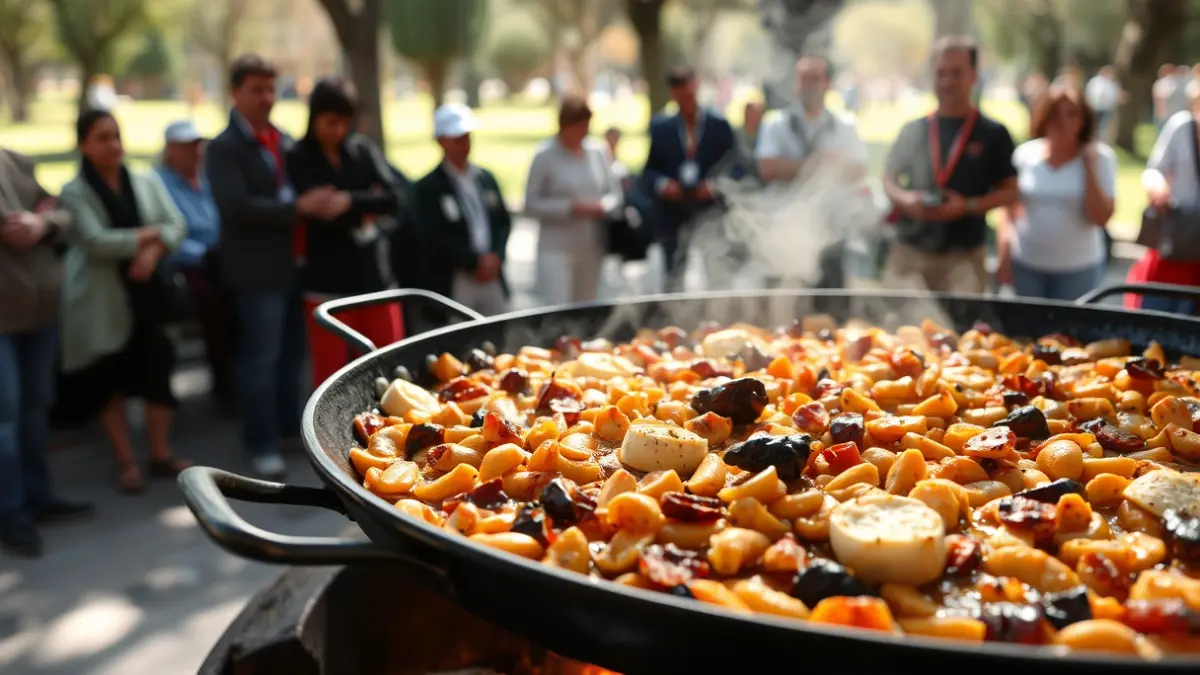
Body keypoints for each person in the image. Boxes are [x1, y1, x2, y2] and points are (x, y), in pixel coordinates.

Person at [206, 54, 349, 479]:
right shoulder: (223, 148)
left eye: (270, 88)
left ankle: (288, 430)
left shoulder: (281, 139)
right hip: (255, 273)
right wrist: (298, 207)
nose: (266, 97)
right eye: (257, 89)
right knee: (261, 358)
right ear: (235, 93)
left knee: (291, 356)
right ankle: (261, 442)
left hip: (292, 267)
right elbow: (236, 207)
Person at [57, 109, 192, 494]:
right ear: (83, 144)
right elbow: (96, 242)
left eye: (116, 135)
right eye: (102, 137)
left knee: (157, 370)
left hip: (148, 295)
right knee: (108, 380)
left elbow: (176, 224)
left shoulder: (144, 179)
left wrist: (153, 251)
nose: (113, 145)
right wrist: (147, 236)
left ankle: (160, 453)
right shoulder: (74, 191)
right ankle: (126, 460)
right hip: (100, 299)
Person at [0, 148, 92, 557]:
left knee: (36, 408)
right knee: (4, 419)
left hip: (40, 310)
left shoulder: (13, 160)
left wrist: (42, 223)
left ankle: (38, 497)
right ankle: (11, 512)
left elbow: (63, 213)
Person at [288, 78, 405, 389]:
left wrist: (348, 201)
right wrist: (364, 206)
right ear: (315, 118)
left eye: (344, 122)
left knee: (389, 368)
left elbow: (395, 198)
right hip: (327, 284)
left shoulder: (362, 150)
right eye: (330, 122)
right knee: (332, 377)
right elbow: (314, 214)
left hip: (373, 278)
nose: (338, 130)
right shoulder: (298, 157)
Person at [882, 36, 1018, 293]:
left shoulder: (993, 133)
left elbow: (1011, 191)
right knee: (897, 318)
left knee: (966, 320)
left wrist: (967, 206)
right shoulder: (914, 129)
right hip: (910, 254)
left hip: (965, 258)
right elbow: (888, 179)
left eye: (956, 73)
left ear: (973, 76)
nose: (947, 82)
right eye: (941, 73)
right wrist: (906, 200)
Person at [755, 54, 871, 290]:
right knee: (781, 299)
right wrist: (819, 164)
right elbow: (767, 167)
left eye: (814, 78)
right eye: (803, 79)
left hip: (831, 230)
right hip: (783, 229)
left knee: (831, 300)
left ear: (827, 83)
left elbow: (859, 169)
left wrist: (794, 167)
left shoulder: (845, 125)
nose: (807, 85)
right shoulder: (775, 123)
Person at [996, 87, 1115, 302]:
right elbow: (1008, 208)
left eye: (1071, 114)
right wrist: (1004, 250)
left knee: (1073, 324)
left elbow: (1101, 218)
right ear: (1043, 116)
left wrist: (1089, 169)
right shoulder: (1025, 155)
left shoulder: (1101, 158)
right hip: (1027, 263)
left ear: (1084, 119)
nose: (1062, 122)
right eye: (1055, 114)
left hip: (1078, 269)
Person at [155, 120, 236, 408]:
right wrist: (204, 254)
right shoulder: (159, 183)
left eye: (197, 146)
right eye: (187, 147)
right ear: (170, 150)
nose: (195, 152)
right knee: (214, 301)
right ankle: (225, 384)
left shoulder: (207, 176)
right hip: (185, 265)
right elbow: (168, 235)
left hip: (222, 257)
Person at [411, 103, 512, 318]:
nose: (464, 144)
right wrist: (473, 262)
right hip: (456, 278)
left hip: (492, 275)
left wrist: (497, 256)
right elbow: (432, 236)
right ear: (441, 141)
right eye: (456, 138)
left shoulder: (485, 179)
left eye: (466, 137)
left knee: (498, 328)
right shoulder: (429, 188)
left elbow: (502, 222)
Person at [642, 65, 737, 291]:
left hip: (710, 210)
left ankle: (719, 310)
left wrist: (714, 186)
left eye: (688, 93)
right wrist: (663, 184)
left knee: (718, 271)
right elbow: (649, 170)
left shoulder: (718, 125)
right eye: (679, 95)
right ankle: (673, 311)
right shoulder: (662, 127)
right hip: (674, 212)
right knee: (674, 273)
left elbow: (736, 167)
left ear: (696, 87)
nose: (685, 100)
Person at [524, 95, 622, 306]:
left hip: (591, 244)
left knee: (587, 306)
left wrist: (603, 206)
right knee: (558, 306)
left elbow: (615, 192)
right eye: (577, 127)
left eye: (586, 126)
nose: (582, 132)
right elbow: (530, 203)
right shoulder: (544, 156)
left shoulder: (597, 151)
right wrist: (569, 208)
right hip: (556, 247)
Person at [1124, 91, 1200, 314]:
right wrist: (1158, 188)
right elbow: (1153, 171)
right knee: (1157, 309)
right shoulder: (1181, 126)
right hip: (1176, 236)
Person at [1085, 66, 1121, 142]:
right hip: (1094, 107)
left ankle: (1101, 140)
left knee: (1103, 126)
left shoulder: (1112, 83)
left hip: (1106, 108)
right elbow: (1089, 92)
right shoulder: (1094, 81)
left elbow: (1114, 95)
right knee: (1093, 124)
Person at [735, 101, 765, 184]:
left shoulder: (764, 133)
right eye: (751, 113)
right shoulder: (738, 134)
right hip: (743, 176)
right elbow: (744, 155)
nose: (754, 116)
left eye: (757, 113)